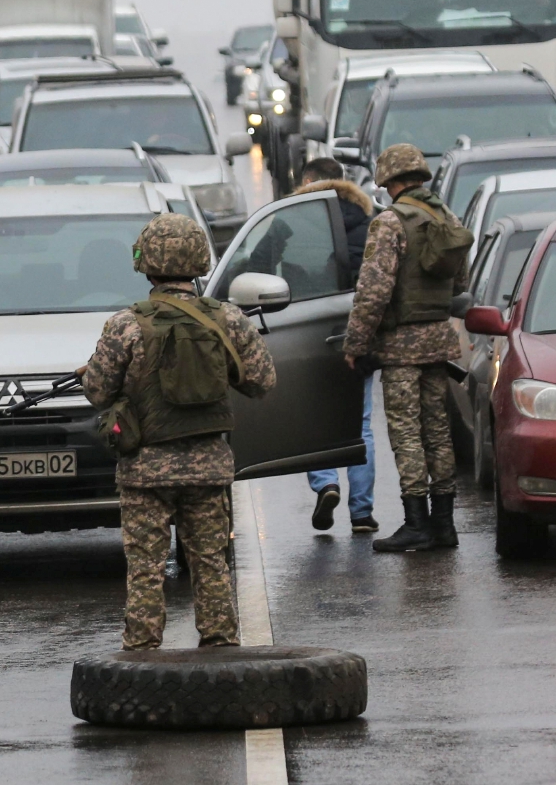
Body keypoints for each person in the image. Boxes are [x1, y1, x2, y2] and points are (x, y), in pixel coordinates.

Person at [81, 214, 276, 650]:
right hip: (208, 468)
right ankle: (221, 644)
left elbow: (96, 390)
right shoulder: (226, 319)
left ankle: (143, 651)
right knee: (210, 563)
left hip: (145, 471)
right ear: (200, 261)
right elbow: (262, 381)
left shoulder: (126, 324)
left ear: (146, 264)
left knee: (146, 566)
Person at [344, 144, 472, 553]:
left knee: (406, 434)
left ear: (389, 180)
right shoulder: (446, 217)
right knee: (437, 433)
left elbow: (373, 291)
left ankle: (416, 523)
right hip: (437, 343)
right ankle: (444, 525)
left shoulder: (390, 222)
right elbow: (461, 284)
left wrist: (356, 343)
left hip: (400, 348)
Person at [292, 156, 379, 534]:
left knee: (314, 418)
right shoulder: (369, 219)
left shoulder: (294, 219)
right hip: (356, 329)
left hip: (308, 327)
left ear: (308, 180)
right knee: (361, 424)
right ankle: (362, 513)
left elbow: (261, 263)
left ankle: (326, 482)